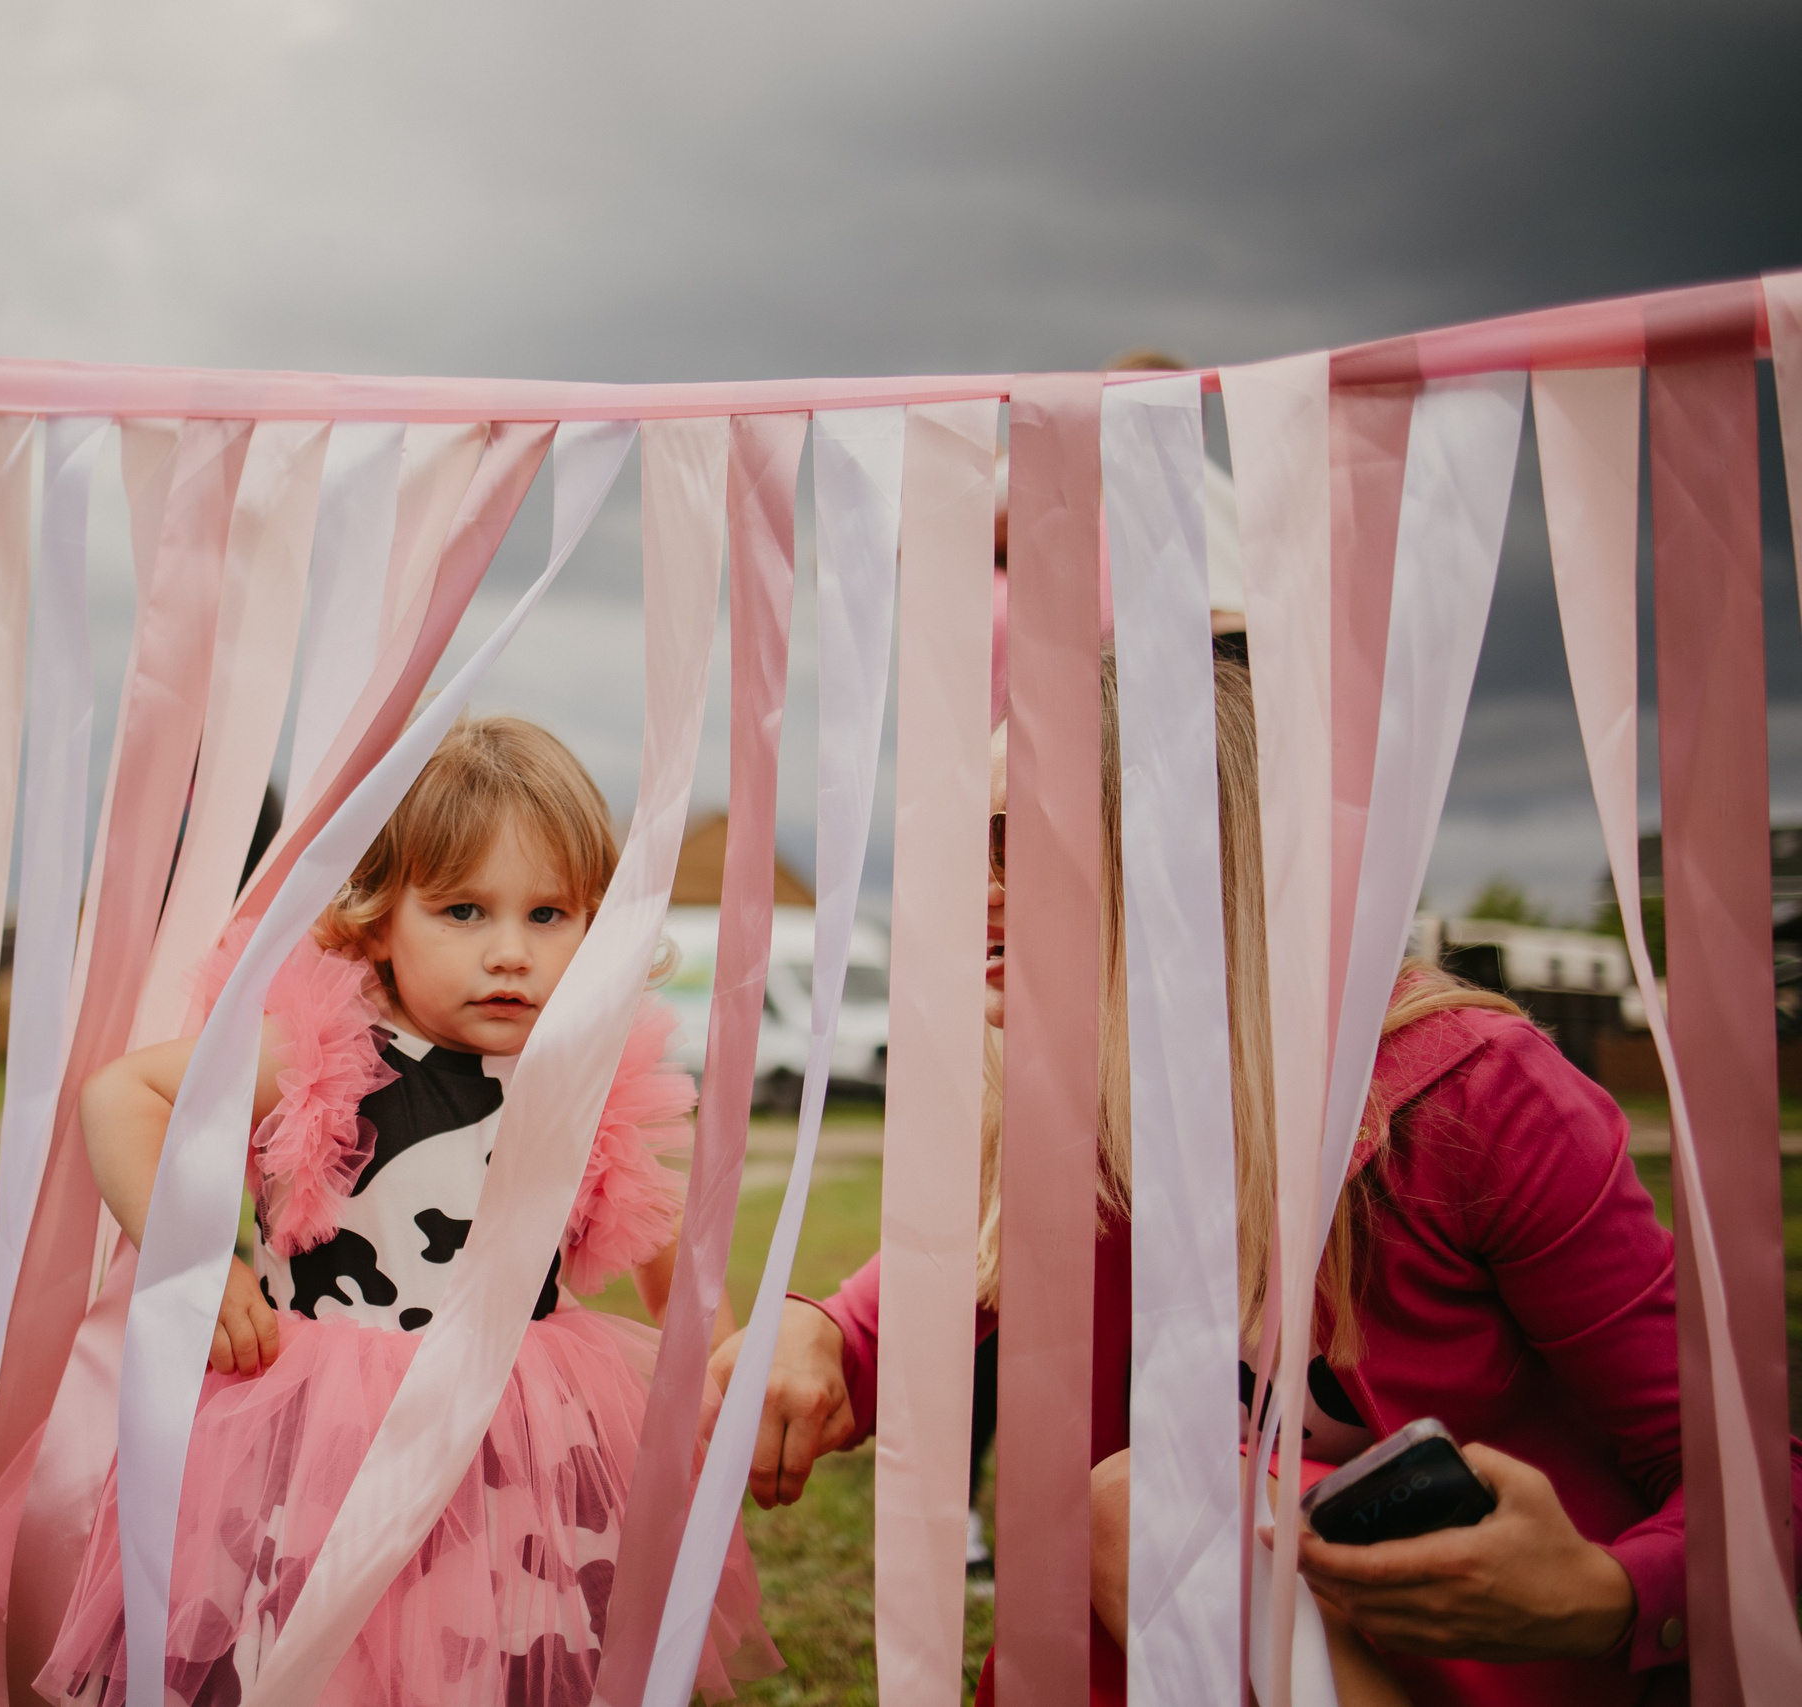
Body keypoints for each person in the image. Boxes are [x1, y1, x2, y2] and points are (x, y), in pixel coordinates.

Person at [713, 656, 1802, 1705]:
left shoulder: (1476, 1103)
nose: (965, 890)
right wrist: (820, 1334)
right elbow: (893, 1315)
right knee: (1150, 1505)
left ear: (1189, 854)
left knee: (1155, 1499)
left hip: (1503, 1670)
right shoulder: (1067, 1106)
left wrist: (1607, 1596)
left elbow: (1755, 1489)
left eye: (1009, 843)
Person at [26, 714, 778, 1705]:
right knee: (316, 1655)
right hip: (327, 1438)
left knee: (502, 1650)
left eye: (548, 916)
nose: (508, 953)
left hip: (516, 1445)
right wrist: (192, 1263)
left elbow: (667, 1242)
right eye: (464, 912)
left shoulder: (584, 1081)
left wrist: (716, 1373)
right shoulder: (323, 1051)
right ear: (379, 918)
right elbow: (121, 1096)